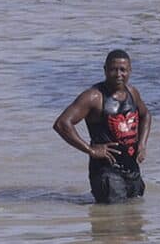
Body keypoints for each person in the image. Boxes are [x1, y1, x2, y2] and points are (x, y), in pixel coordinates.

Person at [52, 50, 152, 204]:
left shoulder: (132, 93)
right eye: (113, 69)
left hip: (132, 169)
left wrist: (142, 144)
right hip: (106, 172)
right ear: (105, 70)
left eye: (123, 70)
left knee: (135, 214)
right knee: (113, 216)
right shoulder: (93, 97)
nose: (118, 74)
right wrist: (90, 150)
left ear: (130, 70)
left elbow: (145, 115)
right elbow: (62, 124)